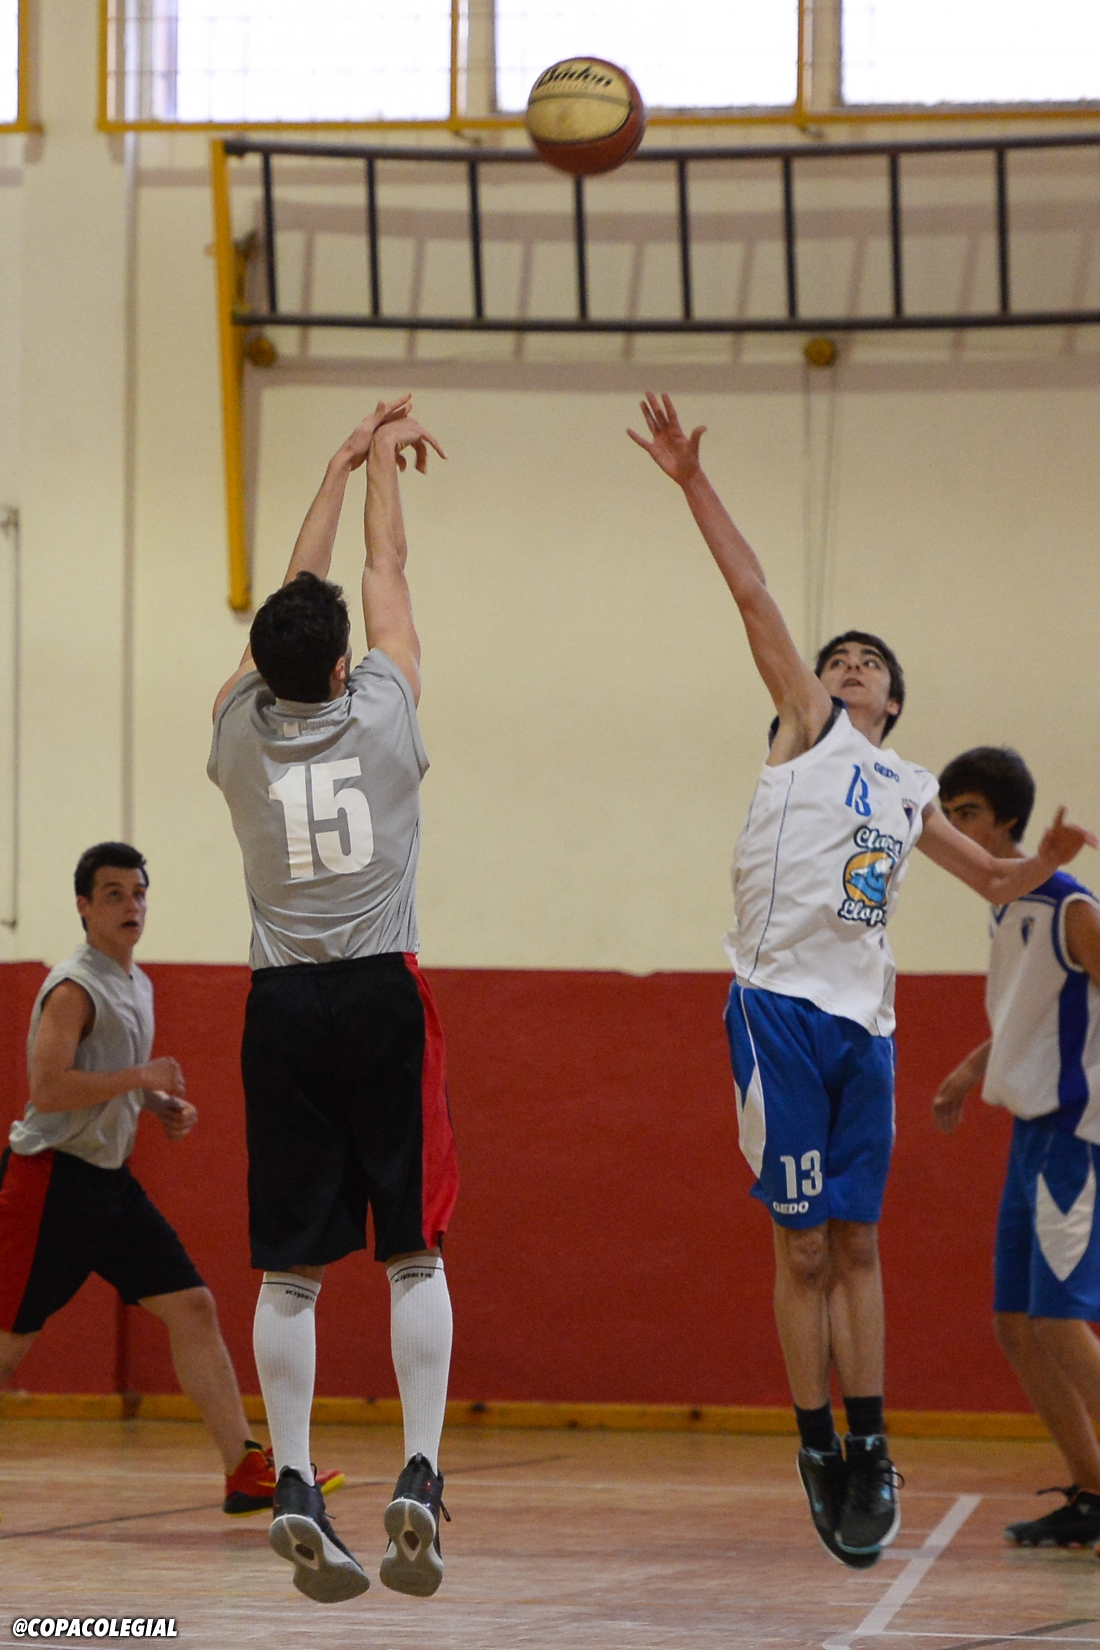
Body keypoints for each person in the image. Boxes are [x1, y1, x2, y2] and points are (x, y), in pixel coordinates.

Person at [628, 392, 1096, 1569]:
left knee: (856, 1247)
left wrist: (1041, 859)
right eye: (836, 657)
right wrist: (690, 480)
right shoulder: (805, 730)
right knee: (798, 1249)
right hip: (775, 1010)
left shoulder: (905, 784)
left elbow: (990, 879)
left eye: (867, 663)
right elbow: (751, 594)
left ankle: (871, 1444)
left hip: (862, 1030)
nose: (846, 665)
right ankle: (814, 1442)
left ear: (892, 702)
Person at [208, 395, 458, 1605]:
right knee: (413, 1251)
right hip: (378, 995)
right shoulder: (386, 708)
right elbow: (382, 571)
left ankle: (298, 1480)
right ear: (344, 664)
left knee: (289, 1272)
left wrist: (332, 462)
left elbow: (298, 594)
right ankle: (420, 1470)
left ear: (262, 666)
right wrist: (381, 466)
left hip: (281, 1005)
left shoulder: (233, 729)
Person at [0, 842, 343, 1517]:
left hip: (109, 1187)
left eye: (138, 892)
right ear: (83, 906)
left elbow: (103, 1082)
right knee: (9, 1347)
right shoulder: (73, 987)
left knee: (192, 1307)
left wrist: (155, 1104)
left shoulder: (136, 982)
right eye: (114, 894)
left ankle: (244, 1469)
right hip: (50, 1185)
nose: (132, 906)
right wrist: (140, 1077)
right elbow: (47, 1089)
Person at [933, 746, 1100, 1552]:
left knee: (1060, 1323)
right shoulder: (1007, 908)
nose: (956, 831)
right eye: (947, 816)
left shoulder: (1071, 907)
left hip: (1074, 1134)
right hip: (1029, 1133)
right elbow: (1028, 1015)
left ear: (1005, 820)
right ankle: (1092, 1490)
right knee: (1015, 1324)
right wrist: (972, 1070)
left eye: (966, 814)